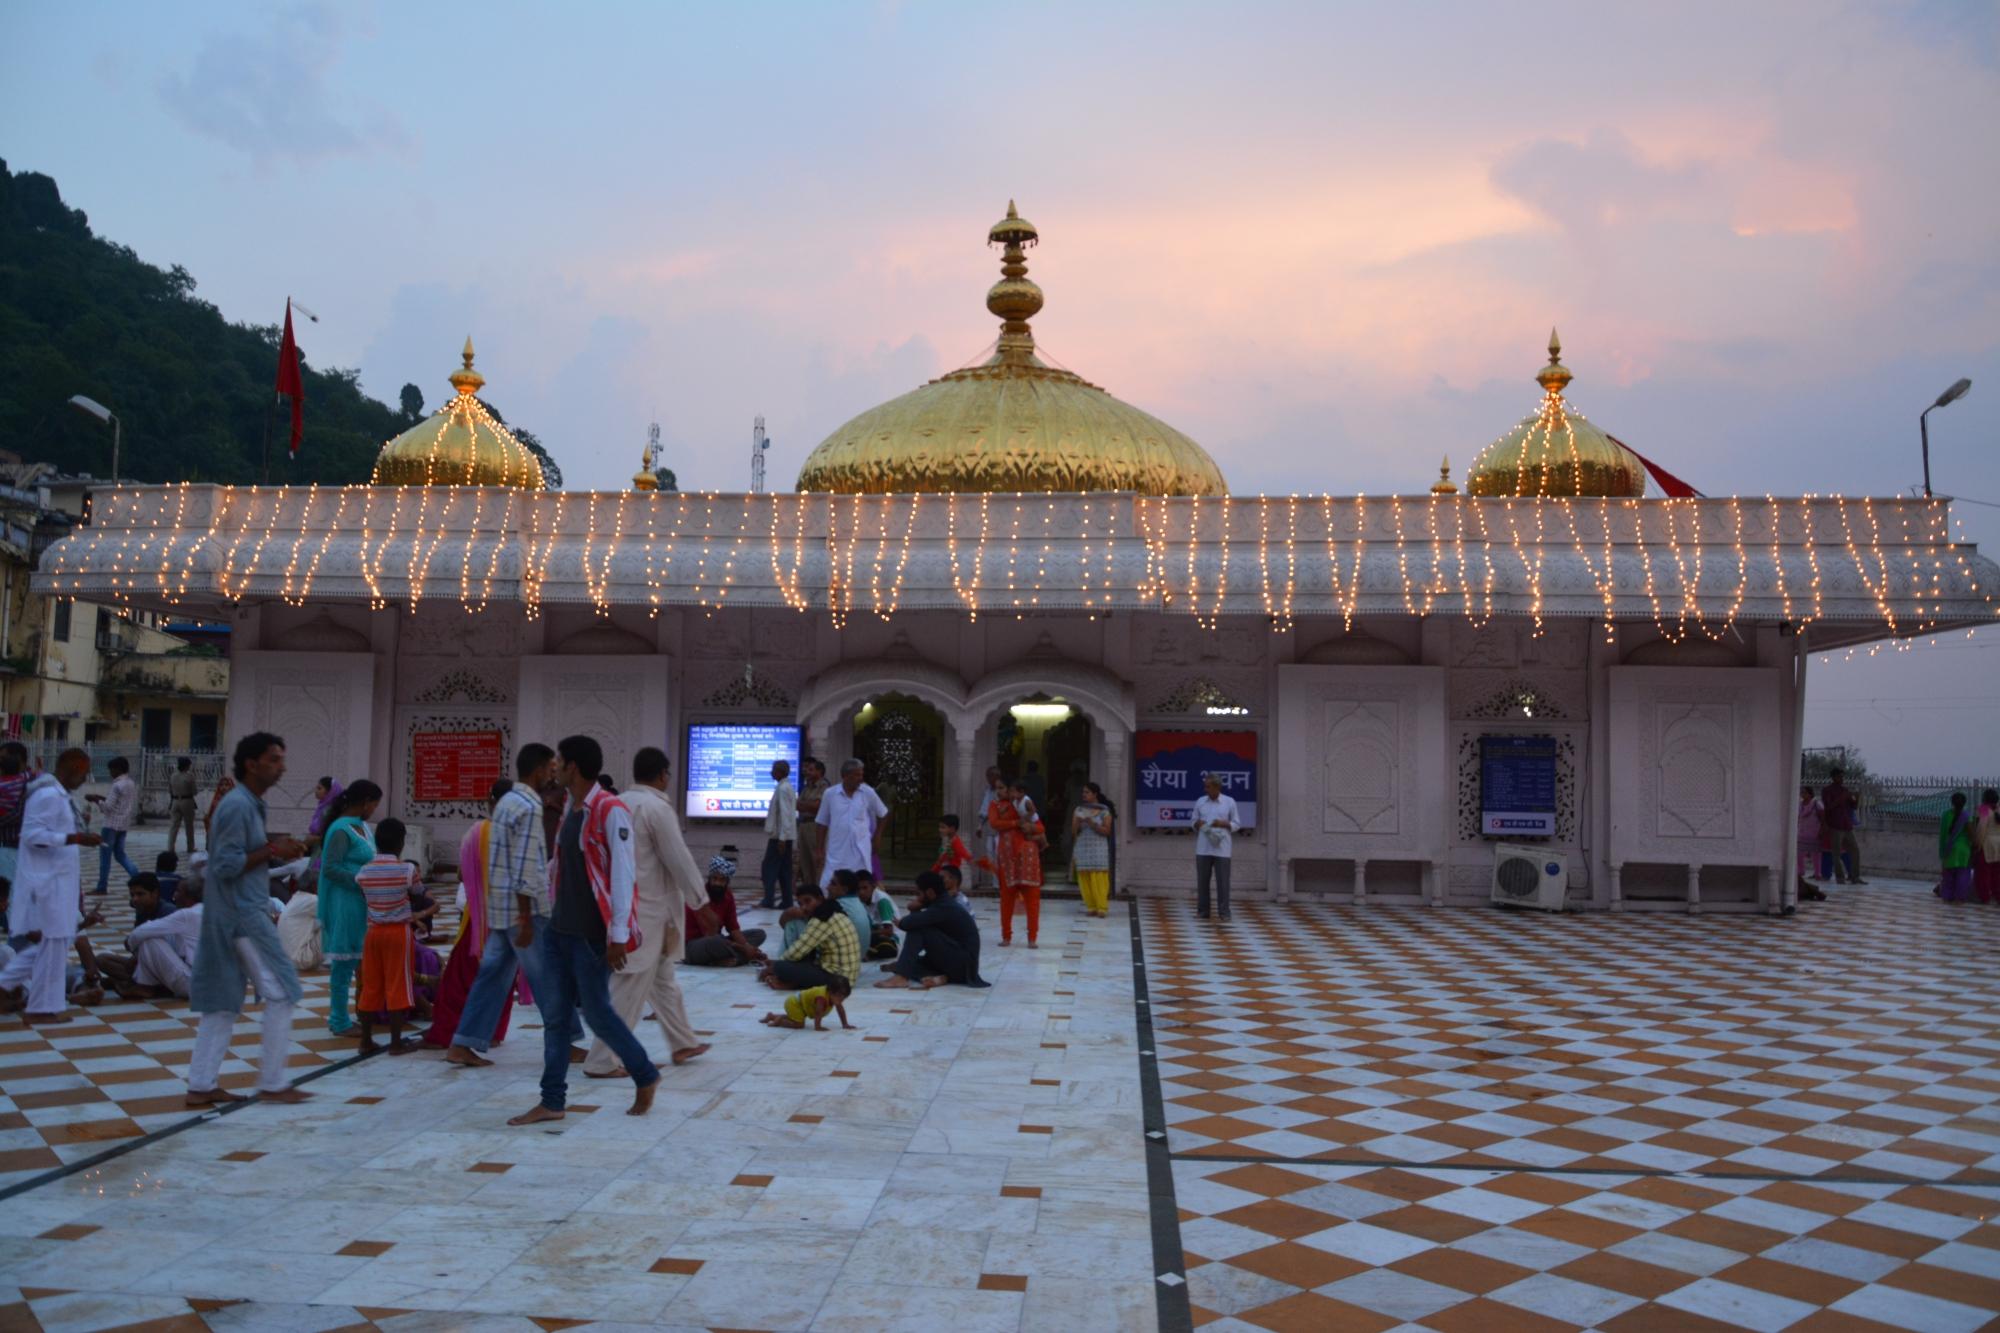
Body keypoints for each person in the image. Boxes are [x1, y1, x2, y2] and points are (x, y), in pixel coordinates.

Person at [508, 735, 659, 1125]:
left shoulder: (611, 810)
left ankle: (644, 1074)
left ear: (572, 766)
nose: (554, 766)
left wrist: (619, 935)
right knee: (556, 1017)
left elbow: (624, 874)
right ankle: (552, 1100)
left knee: (598, 1014)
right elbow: (559, 870)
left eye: (559, 760)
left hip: (592, 937)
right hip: (560, 930)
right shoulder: (568, 811)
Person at [186, 732, 311, 1107]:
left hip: (234, 913)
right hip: (242, 915)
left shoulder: (249, 804)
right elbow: (224, 865)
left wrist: (273, 847)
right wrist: (273, 850)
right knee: (284, 990)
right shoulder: (238, 805)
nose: (282, 767)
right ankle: (273, 1082)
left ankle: (200, 1085)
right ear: (251, 764)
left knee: (222, 1002)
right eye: (274, 759)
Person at [447, 743, 581, 1070]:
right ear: (537, 770)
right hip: (524, 911)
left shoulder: (506, 802)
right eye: (551, 768)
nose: (554, 773)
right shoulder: (529, 806)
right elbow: (525, 865)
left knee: (492, 975)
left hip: (502, 907)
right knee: (548, 976)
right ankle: (565, 1043)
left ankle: (463, 1042)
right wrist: (526, 915)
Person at [582, 747, 710, 1079]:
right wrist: (702, 902)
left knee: (662, 977)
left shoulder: (617, 802)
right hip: (648, 909)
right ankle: (601, 1059)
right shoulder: (655, 808)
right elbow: (677, 858)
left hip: (631, 907)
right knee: (630, 984)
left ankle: (682, 1041)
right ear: (662, 775)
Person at [423, 781, 516, 1049]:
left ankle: (452, 1033)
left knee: (461, 978)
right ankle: (492, 1032)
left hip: (479, 919)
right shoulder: (521, 833)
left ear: (491, 800)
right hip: (509, 917)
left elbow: (463, 875)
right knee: (501, 979)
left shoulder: (481, 831)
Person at [11, 749, 100, 1023]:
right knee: (48, 947)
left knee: (56, 947)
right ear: (74, 766)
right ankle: (33, 1004)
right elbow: (33, 836)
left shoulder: (60, 795)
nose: (84, 780)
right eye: (84, 773)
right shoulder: (48, 795)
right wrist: (76, 838)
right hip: (47, 883)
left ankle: (45, 1007)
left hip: (60, 883)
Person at [316, 780, 382, 1035]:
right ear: (365, 802)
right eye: (374, 804)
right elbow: (331, 867)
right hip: (345, 902)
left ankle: (358, 1012)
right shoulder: (341, 829)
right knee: (343, 964)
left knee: (358, 958)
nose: (374, 809)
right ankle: (339, 1020)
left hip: (361, 902)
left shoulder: (362, 827)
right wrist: (360, 879)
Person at [354, 817, 420, 1054]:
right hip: (398, 932)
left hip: (373, 932)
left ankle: (366, 1040)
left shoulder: (364, 871)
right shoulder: (408, 869)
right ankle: (395, 1042)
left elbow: (363, 894)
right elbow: (418, 892)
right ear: (401, 843)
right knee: (397, 984)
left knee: (371, 985)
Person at [877, 870, 987, 990]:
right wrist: (917, 909)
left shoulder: (944, 907)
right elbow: (917, 920)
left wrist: (912, 909)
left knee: (918, 930)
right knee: (908, 962)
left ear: (929, 892)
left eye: (919, 893)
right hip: (959, 965)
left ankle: (902, 977)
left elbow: (908, 924)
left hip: (962, 966)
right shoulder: (941, 903)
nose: (917, 898)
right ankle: (941, 978)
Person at [104, 868, 204, 999]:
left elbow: (139, 934)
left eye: (178, 891)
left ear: (189, 896)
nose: (174, 896)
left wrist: (131, 946)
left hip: (193, 986)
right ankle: (144, 984)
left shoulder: (186, 914)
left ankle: (145, 986)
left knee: (149, 940)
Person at [759, 884, 860, 993]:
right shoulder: (834, 911)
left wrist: (775, 966)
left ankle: (791, 983)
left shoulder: (821, 919)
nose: (804, 907)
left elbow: (796, 952)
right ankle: (791, 982)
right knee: (799, 960)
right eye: (800, 904)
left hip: (838, 980)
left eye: (808, 901)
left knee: (781, 967)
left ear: (820, 899)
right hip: (848, 977)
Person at [988, 778, 1044, 947]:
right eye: (998, 788)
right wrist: (1016, 823)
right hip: (1008, 858)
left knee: (1033, 899)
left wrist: (1031, 828)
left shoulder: (1025, 804)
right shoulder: (995, 806)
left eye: (1003, 788)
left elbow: (1041, 827)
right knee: (1007, 898)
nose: (1000, 792)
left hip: (1028, 858)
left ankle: (1032, 938)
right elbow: (994, 823)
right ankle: (1006, 936)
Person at [817, 759, 887, 890]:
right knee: (828, 885)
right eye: (856, 775)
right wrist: (819, 849)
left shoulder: (868, 792)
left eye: (861, 775)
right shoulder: (830, 794)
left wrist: (877, 837)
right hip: (837, 850)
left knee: (860, 886)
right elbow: (822, 822)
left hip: (860, 850)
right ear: (845, 776)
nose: (860, 778)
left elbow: (883, 814)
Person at [684, 856, 767, 966]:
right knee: (716, 942)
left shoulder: (727, 896)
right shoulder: (699, 897)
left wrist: (746, 946)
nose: (717, 883)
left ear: (727, 881)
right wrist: (743, 948)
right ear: (709, 879)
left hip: (718, 941)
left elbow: (733, 929)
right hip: (693, 946)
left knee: (759, 934)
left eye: (722, 880)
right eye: (715, 879)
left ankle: (730, 959)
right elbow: (710, 935)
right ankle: (742, 958)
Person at [87, 756, 142, 895]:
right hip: (123, 825)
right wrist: (100, 797)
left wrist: (95, 800)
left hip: (110, 825)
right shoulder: (130, 783)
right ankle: (138, 877)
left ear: (118, 769)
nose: (110, 772)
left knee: (105, 857)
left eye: (111, 769)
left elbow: (108, 808)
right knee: (120, 855)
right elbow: (119, 803)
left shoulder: (117, 785)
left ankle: (102, 886)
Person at [1071, 781, 1114, 917]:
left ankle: (1102, 908)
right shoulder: (1078, 810)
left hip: (1098, 848)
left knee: (1099, 878)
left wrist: (1091, 822)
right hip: (1083, 847)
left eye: (1087, 792)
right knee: (1085, 878)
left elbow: (1107, 831)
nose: (1084, 795)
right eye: (1083, 792)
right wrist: (1077, 822)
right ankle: (1091, 907)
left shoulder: (1104, 810)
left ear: (1095, 794)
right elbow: (1074, 832)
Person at [758, 758, 796, 910]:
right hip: (784, 836)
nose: (771, 773)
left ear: (779, 772)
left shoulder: (783, 788)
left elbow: (786, 815)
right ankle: (787, 900)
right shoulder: (785, 787)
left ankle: (769, 899)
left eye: (773, 770)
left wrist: (782, 838)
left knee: (768, 868)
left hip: (780, 838)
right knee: (784, 870)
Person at [1820, 768, 1865, 885]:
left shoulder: (1845, 790)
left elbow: (1853, 807)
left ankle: (1855, 877)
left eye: (1842, 777)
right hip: (1835, 825)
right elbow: (1828, 807)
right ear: (1833, 777)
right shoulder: (1827, 790)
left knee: (1855, 850)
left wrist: (1857, 797)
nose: (1842, 779)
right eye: (1839, 776)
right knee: (1836, 853)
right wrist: (1842, 798)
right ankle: (1840, 877)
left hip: (1847, 825)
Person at [762, 974, 852, 1031]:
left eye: (844, 998)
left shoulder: (833, 997)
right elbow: (818, 1013)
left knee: (796, 1019)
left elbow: (840, 1010)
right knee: (799, 1025)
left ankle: (771, 1016)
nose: (841, 1000)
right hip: (795, 1003)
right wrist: (818, 1027)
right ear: (831, 992)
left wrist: (845, 1024)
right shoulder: (821, 998)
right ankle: (779, 1021)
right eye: (840, 997)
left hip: (800, 1006)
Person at [793, 757, 829, 897]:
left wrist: (805, 805)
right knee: (805, 861)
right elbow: (797, 805)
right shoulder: (807, 787)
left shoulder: (824, 786)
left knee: (817, 861)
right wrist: (807, 805)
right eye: (806, 769)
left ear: (819, 772)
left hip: (815, 826)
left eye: (811, 769)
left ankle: (819, 892)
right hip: (804, 825)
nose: (806, 771)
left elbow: (817, 807)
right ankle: (809, 893)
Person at [829, 868, 878, 963]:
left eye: (833, 884)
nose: (828, 887)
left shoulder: (836, 905)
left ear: (844, 889)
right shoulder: (860, 904)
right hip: (858, 961)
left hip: (839, 965)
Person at [0, 741, 30, 884]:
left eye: (3, 758)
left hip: (16, 847)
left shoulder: (32, 784)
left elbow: (19, 814)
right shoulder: (30, 779)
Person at [1939, 792, 1975, 904]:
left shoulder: (1945, 815)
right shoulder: (1967, 816)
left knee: (1948, 874)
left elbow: (1943, 833)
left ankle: (1947, 897)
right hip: (1963, 850)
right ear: (1964, 803)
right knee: (1963, 875)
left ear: (1952, 802)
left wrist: (1943, 851)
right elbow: (1971, 834)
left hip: (1949, 848)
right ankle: (1959, 899)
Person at [976, 767, 1004, 891]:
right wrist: (980, 826)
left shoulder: (1003, 790)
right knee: (991, 855)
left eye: (994, 776)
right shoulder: (988, 791)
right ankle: (995, 883)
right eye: (989, 776)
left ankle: (1002, 883)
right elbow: (984, 809)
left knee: (1000, 856)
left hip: (1002, 829)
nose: (991, 779)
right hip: (991, 829)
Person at [166, 757, 199, 856]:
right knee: (189, 826)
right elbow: (195, 791)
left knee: (174, 826)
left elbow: (169, 790)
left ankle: (170, 848)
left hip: (175, 801)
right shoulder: (189, 776)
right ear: (187, 765)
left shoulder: (173, 776)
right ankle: (190, 847)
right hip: (187, 801)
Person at [1975, 788, 2000, 907]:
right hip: (1998, 843)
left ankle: (1985, 897)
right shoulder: (1998, 809)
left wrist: (1977, 844)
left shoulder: (1984, 809)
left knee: (1983, 873)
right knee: (1997, 873)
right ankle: (1997, 896)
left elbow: (1981, 828)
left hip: (1987, 843)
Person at [204, 772, 235, 846]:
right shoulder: (216, 800)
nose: (223, 787)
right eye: (221, 785)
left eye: (226, 785)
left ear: (231, 786)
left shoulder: (234, 800)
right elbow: (210, 815)